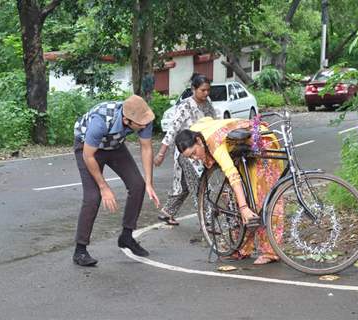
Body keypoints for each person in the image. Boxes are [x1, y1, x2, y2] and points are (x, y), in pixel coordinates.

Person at [175, 117, 284, 265]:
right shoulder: (194, 132)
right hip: (240, 148)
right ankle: (241, 247)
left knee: (264, 198)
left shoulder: (215, 144)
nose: (195, 158)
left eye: (194, 152)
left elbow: (232, 175)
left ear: (199, 141)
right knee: (242, 197)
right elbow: (207, 119)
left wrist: (244, 208)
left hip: (260, 141)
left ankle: (270, 251)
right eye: (190, 157)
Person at [72, 95, 160, 266]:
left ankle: (126, 236)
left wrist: (149, 183)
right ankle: (80, 250)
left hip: (115, 146)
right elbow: (88, 156)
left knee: (138, 185)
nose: (144, 126)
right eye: (140, 124)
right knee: (93, 196)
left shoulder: (142, 117)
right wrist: (104, 187)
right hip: (88, 149)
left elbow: (146, 148)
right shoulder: (101, 121)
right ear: (127, 120)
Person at [154, 73, 215, 225]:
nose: (206, 93)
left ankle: (167, 212)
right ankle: (206, 220)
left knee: (183, 186)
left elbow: (213, 123)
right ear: (193, 89)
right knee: (199, 185)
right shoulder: (185, 106)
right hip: (187, 153)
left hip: (201, 149)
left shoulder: (208, 104)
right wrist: (161, 153)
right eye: (202, 90)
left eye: (208, 90)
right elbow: (172, 130)